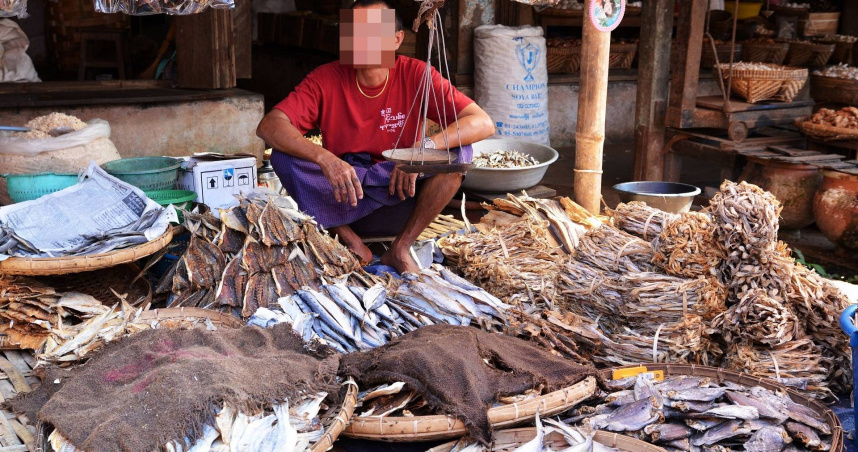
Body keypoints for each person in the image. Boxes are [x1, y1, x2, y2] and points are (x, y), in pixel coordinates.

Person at [256, 0, 494, 274]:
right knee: (283, 156)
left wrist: (419, 152)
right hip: (344, 195)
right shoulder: (326, 78)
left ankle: (401, 248)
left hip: (401, 191)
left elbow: (481, 122)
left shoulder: (416, 73)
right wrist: (326, 159)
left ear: (396, 39)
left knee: (460, 152)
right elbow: (270, 125)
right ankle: (351, 241)